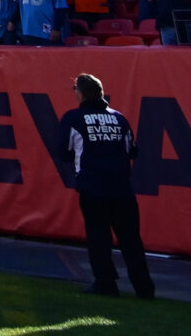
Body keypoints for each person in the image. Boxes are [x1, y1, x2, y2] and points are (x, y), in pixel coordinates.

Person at [65, 72, 152, 299]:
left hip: (92, 187)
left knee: (98, 237)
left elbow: (63, 151)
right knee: (131, 239)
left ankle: (106, 283)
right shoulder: (119, 118)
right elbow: (132, 150)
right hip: (122, 188)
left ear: (81, 94)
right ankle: (144, 288)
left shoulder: (73, 118)